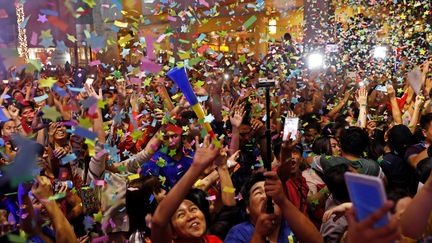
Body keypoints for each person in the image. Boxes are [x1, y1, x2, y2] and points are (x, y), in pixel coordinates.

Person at [151, 135, 223, 243]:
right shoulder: (156, 160)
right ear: (173, 233)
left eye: (193, 209)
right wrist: (196, 168)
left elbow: (229, 202)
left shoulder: (214, 240)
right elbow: (158, 222)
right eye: (181, 215)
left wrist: (224, 167)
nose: (191, 216)